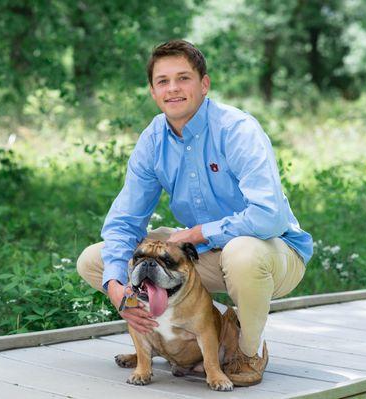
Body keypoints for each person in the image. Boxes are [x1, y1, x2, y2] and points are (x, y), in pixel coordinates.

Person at [76, 39, 313, 386]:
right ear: (153, 91)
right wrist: (115, 287)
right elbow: (125, 221)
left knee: (242, 251)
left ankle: (247, 352)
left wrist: (198, 233)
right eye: (162, 81)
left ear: (204, 84)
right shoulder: (153, 139)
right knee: (96, 260)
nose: (173, 88)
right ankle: (189, 330)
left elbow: (268, 217)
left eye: (183, 78)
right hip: (201, 256)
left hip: (271, 254)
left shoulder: (237, 130)